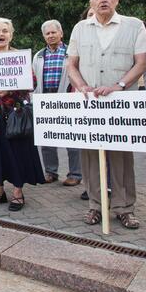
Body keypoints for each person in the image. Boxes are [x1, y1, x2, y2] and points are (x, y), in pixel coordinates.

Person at [67, 0, 146, 229]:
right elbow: (71, 65)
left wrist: (119, 86)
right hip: (90, 105)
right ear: (91, 2)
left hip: (121, 103)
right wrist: (81, 85)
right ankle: (96, 206)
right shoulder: (80, 28)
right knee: (91, 157)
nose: (103, 0)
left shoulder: (134, 26)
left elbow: (141, 63)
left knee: (122, 158)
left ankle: (124, 208)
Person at [0, 18, 44, 210]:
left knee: (16, 152)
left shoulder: (20, 57)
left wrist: (8, 90)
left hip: (14, 113)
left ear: (11, 34)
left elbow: (32, 83)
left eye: (5, 31)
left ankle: (17, 192)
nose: (1, 34)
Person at [33, 20, 82, 186]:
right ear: (44, 36)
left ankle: (75, 173)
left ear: (61, 33)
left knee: (72, 138)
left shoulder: (72, 53)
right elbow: (34, 79)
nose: (51, 36)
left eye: (54, 32)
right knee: (46, 139)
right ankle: (50, 172)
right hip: (44, 99)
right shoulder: (38, 55)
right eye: (47, 33)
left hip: (66, 98)